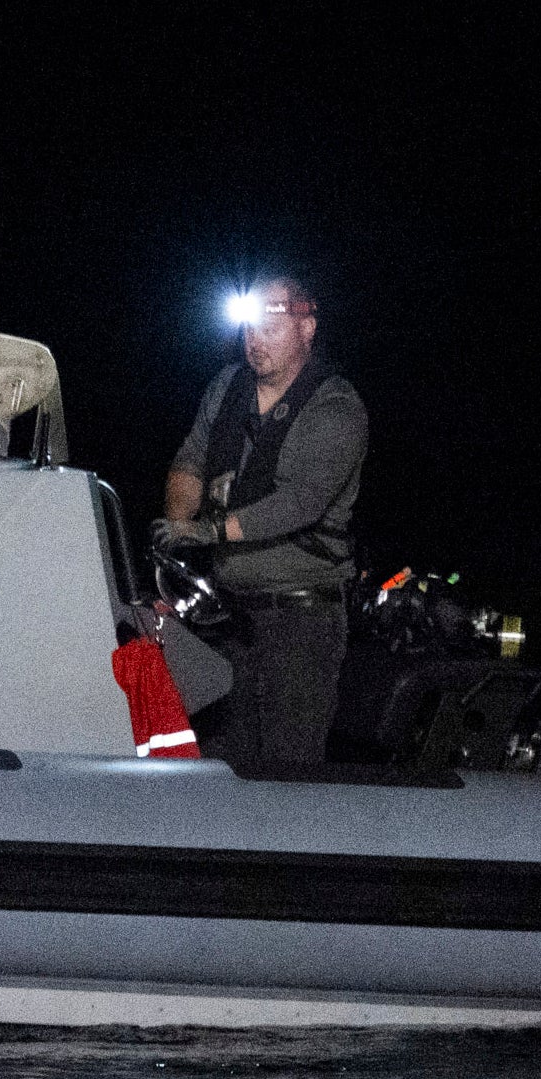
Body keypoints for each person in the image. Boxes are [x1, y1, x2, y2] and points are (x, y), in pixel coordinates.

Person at [158, 273, 365, 772]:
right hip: (230, 616)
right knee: (221, 764)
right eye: (249, 327)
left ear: (307, 327)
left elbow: (303, 502)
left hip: (301, 620)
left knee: (286, 771)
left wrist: (210, 532)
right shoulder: (227, 387)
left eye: (272, 325)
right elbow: (190, 460)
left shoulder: (337, 407)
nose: (255, 340)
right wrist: (174, 541)